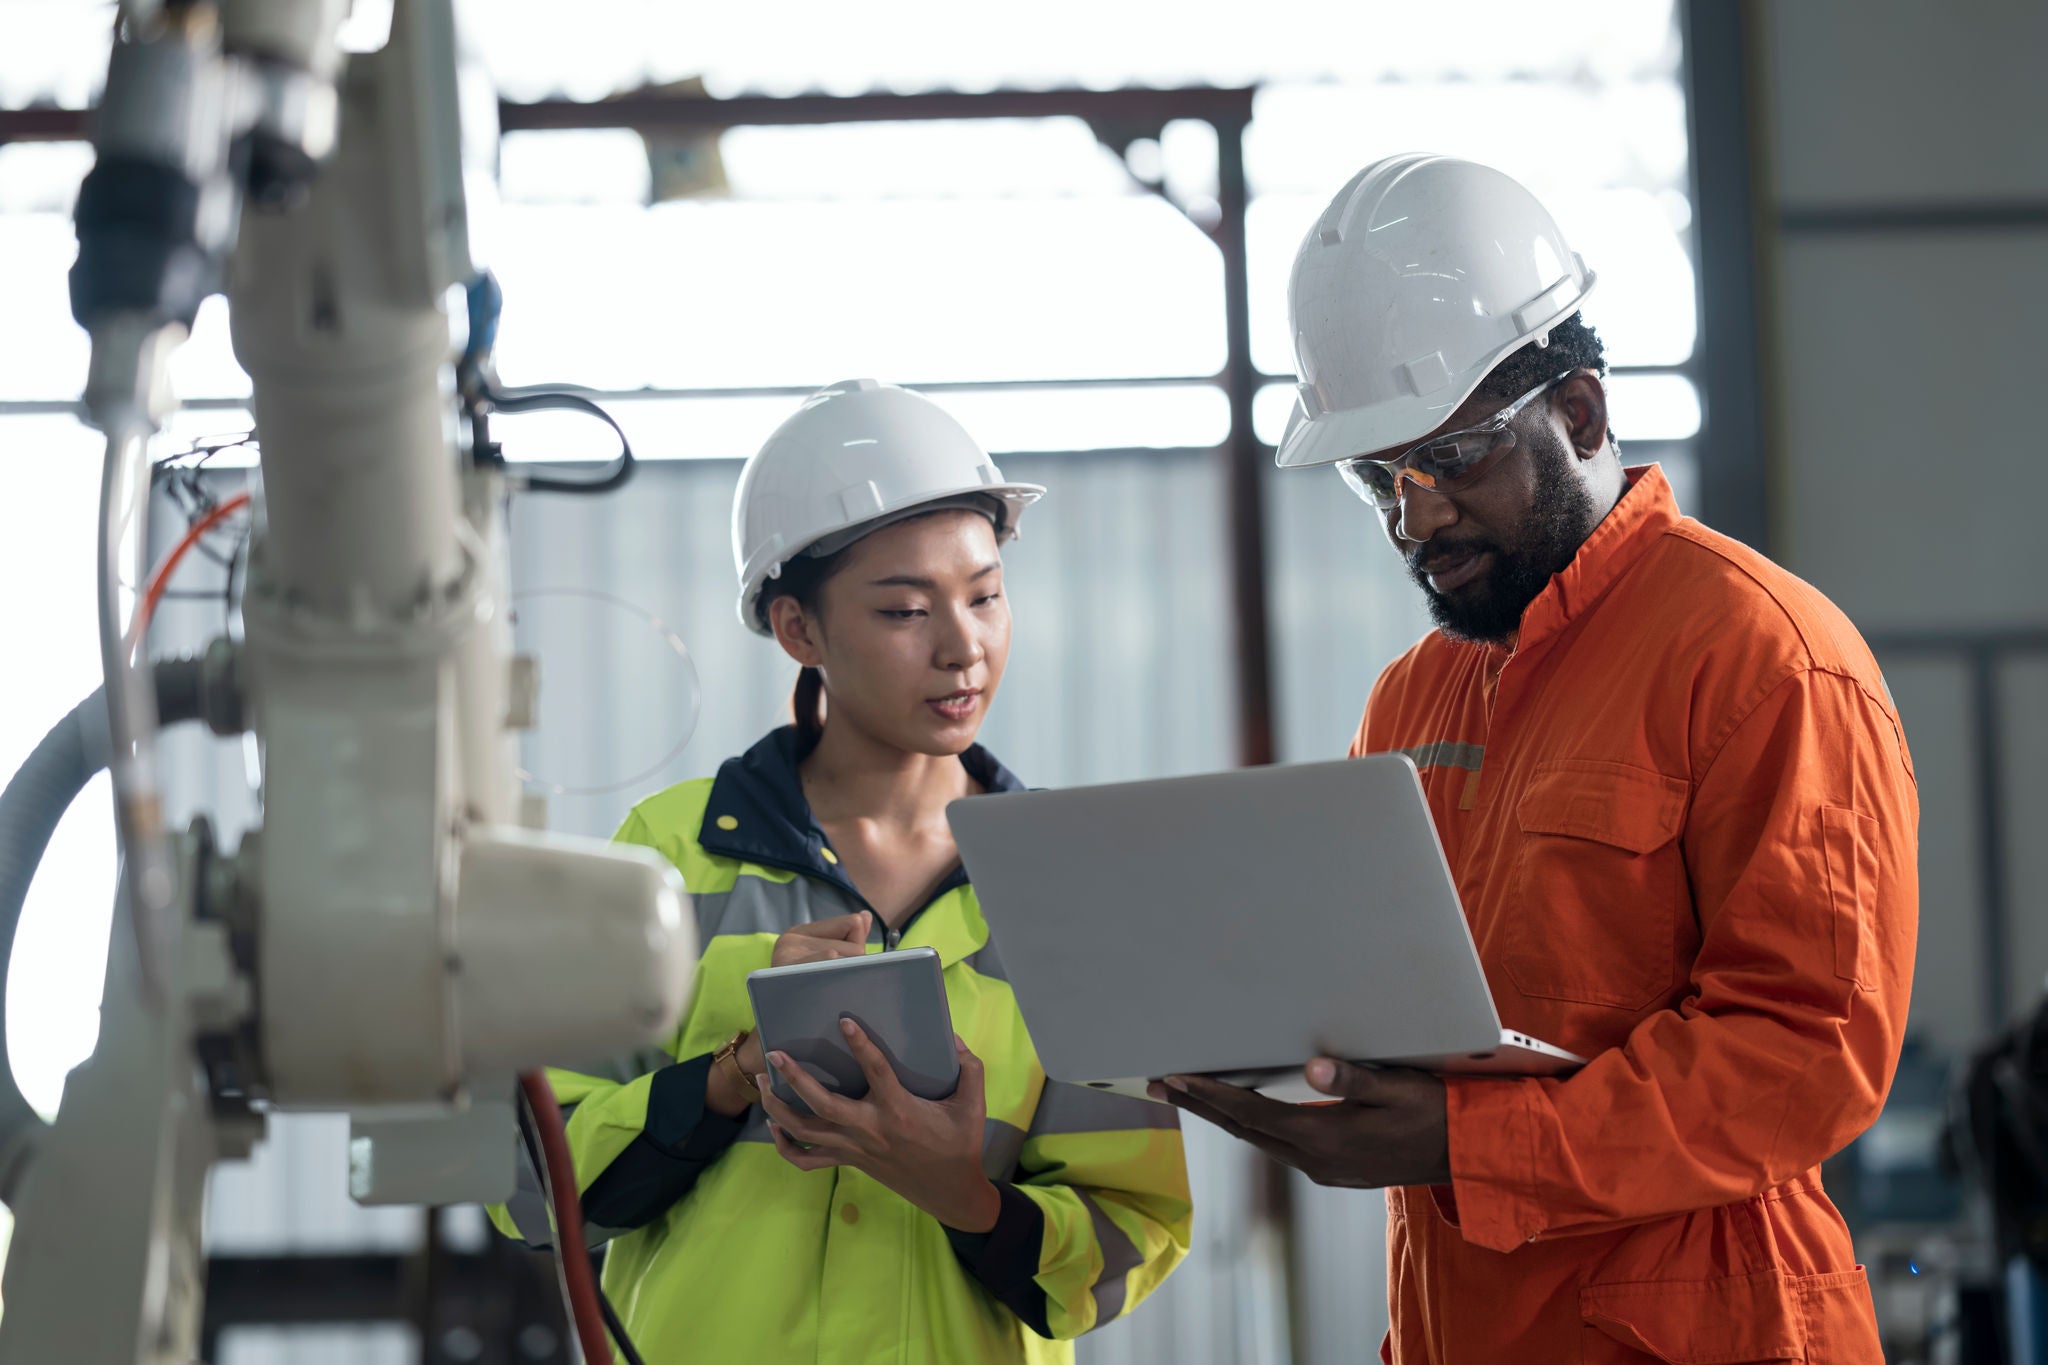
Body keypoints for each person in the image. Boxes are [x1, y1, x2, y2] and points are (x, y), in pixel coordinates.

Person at [1155, 155, 1917, 1363]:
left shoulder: (1760, 657)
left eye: (1448, 459)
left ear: (1577, 414)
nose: (1416, 520)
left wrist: (1462, 1146)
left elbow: (1802, 1053)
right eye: (1376, 480)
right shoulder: (1412, 697)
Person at [491, 379, 1191, 1362]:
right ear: (798, 630)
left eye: (986, 595)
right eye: (907, 609)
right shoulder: (669, 861)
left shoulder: (1074, 891)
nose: (964, 647)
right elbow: (526, 1187)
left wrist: (967, 1199)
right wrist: (727, 1080)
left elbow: (1132, 1232)